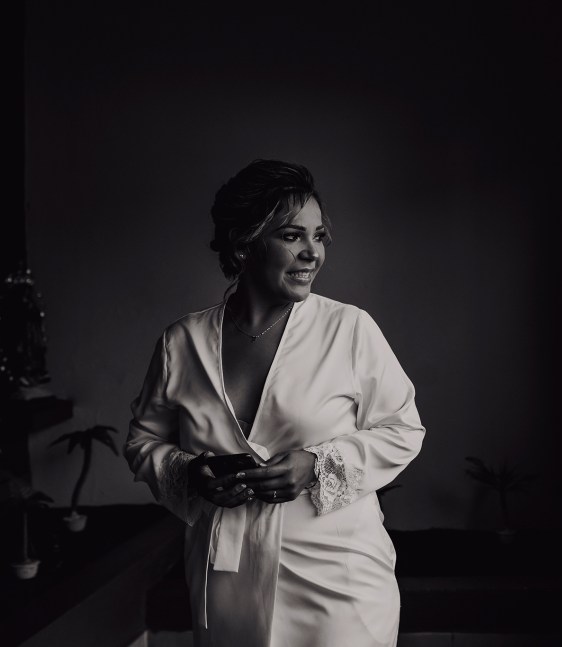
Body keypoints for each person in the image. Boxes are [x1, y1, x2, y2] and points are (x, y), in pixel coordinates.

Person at [125, 159, 425, 647]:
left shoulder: (348, 328)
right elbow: (143, 441)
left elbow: (404, 429)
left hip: (337, 585)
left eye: (319, 236)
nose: (313, 253)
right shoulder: (182, 342)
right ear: (244, 244)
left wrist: (318, 465)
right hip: (226, 583)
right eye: (291, 236)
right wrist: (193, 474)